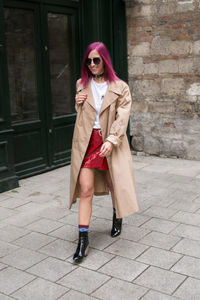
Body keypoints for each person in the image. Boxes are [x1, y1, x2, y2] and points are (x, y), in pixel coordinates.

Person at [69, 42, 138, 263]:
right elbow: (83, 115)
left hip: (110, 141)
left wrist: (112, 138)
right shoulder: (81, 83)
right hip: (87, 143)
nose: (91, 64)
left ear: (105, 60)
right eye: (88, 61)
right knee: (86, 189)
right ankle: (83, 240)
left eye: (96, 60)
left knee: (113, 183)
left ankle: (117, 216)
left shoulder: (120, 87)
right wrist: (77, 102)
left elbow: (122, 116)